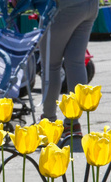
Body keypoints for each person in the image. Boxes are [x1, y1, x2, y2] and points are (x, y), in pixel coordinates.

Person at [38, 0, 99, 136]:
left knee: (51, 66)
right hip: (90, 6)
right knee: (76, 63)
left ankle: (49, 120)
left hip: (64, 6)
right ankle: (73, 122)